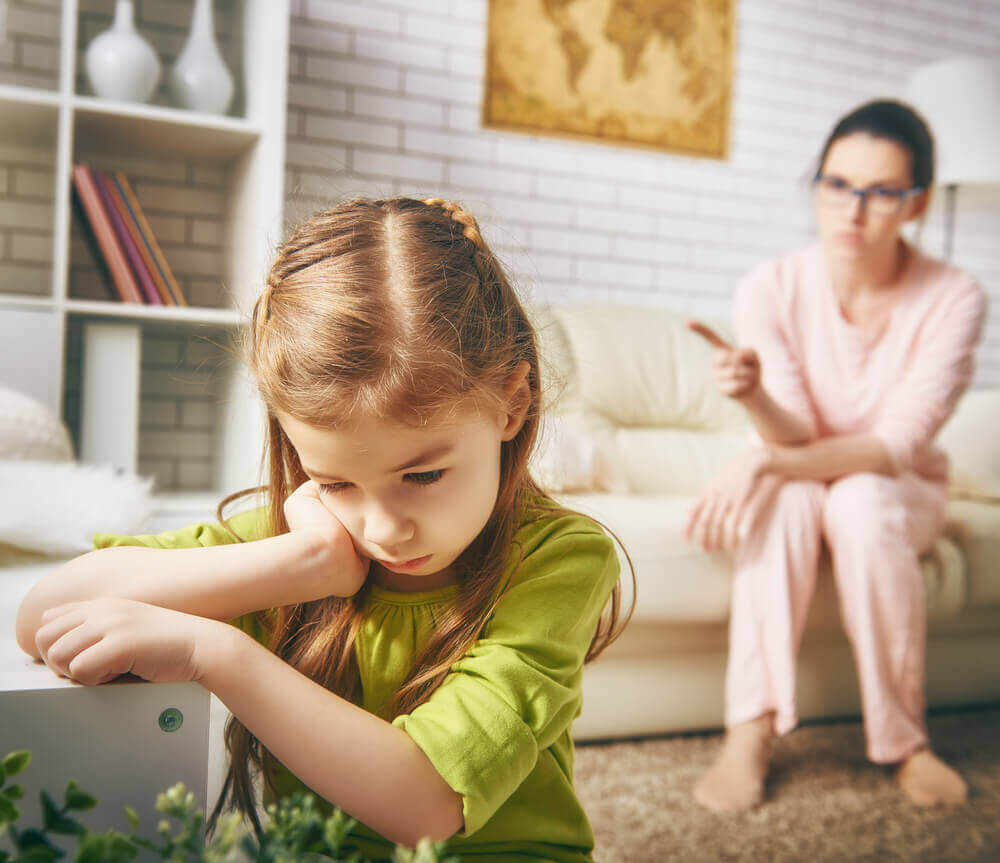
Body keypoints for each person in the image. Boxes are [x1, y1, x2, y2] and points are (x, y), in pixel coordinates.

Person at [15, 197, 631, 860]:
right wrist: (304, 559)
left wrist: (215, 654)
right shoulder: (307, 539)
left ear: (513, 401)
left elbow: (427, 804)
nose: (383, 528)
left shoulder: (561, 559)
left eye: (423, 476)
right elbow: (43, 616)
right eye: (337, 482)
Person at [684, 100, 986, 814]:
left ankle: (905, 740)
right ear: (817, 186)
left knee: (858, 497)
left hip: (896, 488)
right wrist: (756, 399)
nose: (854, 209)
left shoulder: (955, 297)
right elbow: (789, 437)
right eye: (837, 184)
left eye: (882, 191)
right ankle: (749, 731)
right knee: (791, 496)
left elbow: (893, 449)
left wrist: (761, 462)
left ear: (914, 204)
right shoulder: (771, 287)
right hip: (801, 477)